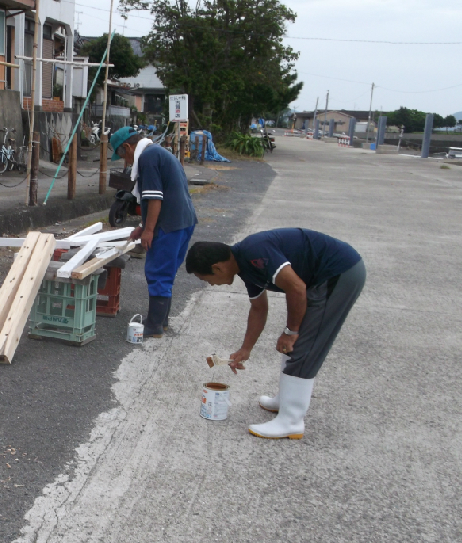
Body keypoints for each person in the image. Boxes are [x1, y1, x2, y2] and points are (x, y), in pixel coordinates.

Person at [185, 228, 366, 439]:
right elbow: (259, 308)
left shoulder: (255, 253)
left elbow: (296, 288)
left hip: (339, 272)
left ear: (217, 267)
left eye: (205, 278)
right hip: (324, 276)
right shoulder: (244, 266)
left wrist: (291, 331)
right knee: (293, 344)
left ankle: (291, 421)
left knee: (304, 345)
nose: (209, 284)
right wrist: (245, 349)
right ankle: (286, 400)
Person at [109, 126, 197, 337]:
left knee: (157, 272)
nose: (125, 161)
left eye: (122, 155)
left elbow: (154, 198)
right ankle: (161, 321)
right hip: (183, 220)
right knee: (166, 272)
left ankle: (154, 326)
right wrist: (143, 226)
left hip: (169, 224)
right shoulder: (158, 152)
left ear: (127, 147)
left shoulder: (148, 158)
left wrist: (149, 231)